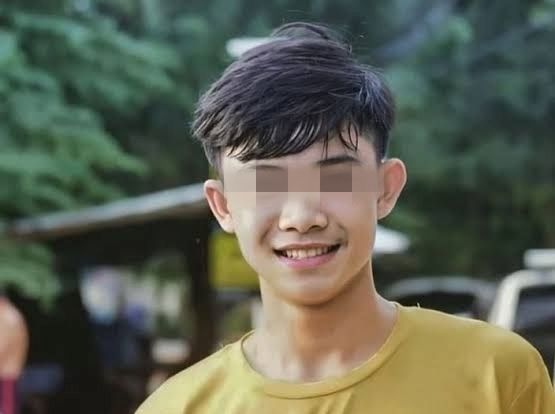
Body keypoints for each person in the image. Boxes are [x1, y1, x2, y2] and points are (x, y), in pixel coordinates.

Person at [136, 22, 555, 413]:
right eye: (265, 183)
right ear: (223, 206)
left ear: (385, 188)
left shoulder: (497, 375)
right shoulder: (176, 407)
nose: (301, 217)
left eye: (335, 178)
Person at [0, 292, 29, 414]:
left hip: (6, 372)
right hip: (10, 371)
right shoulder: (12, 314)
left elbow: (3, 345)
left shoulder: (5, 315)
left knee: (7, 408)